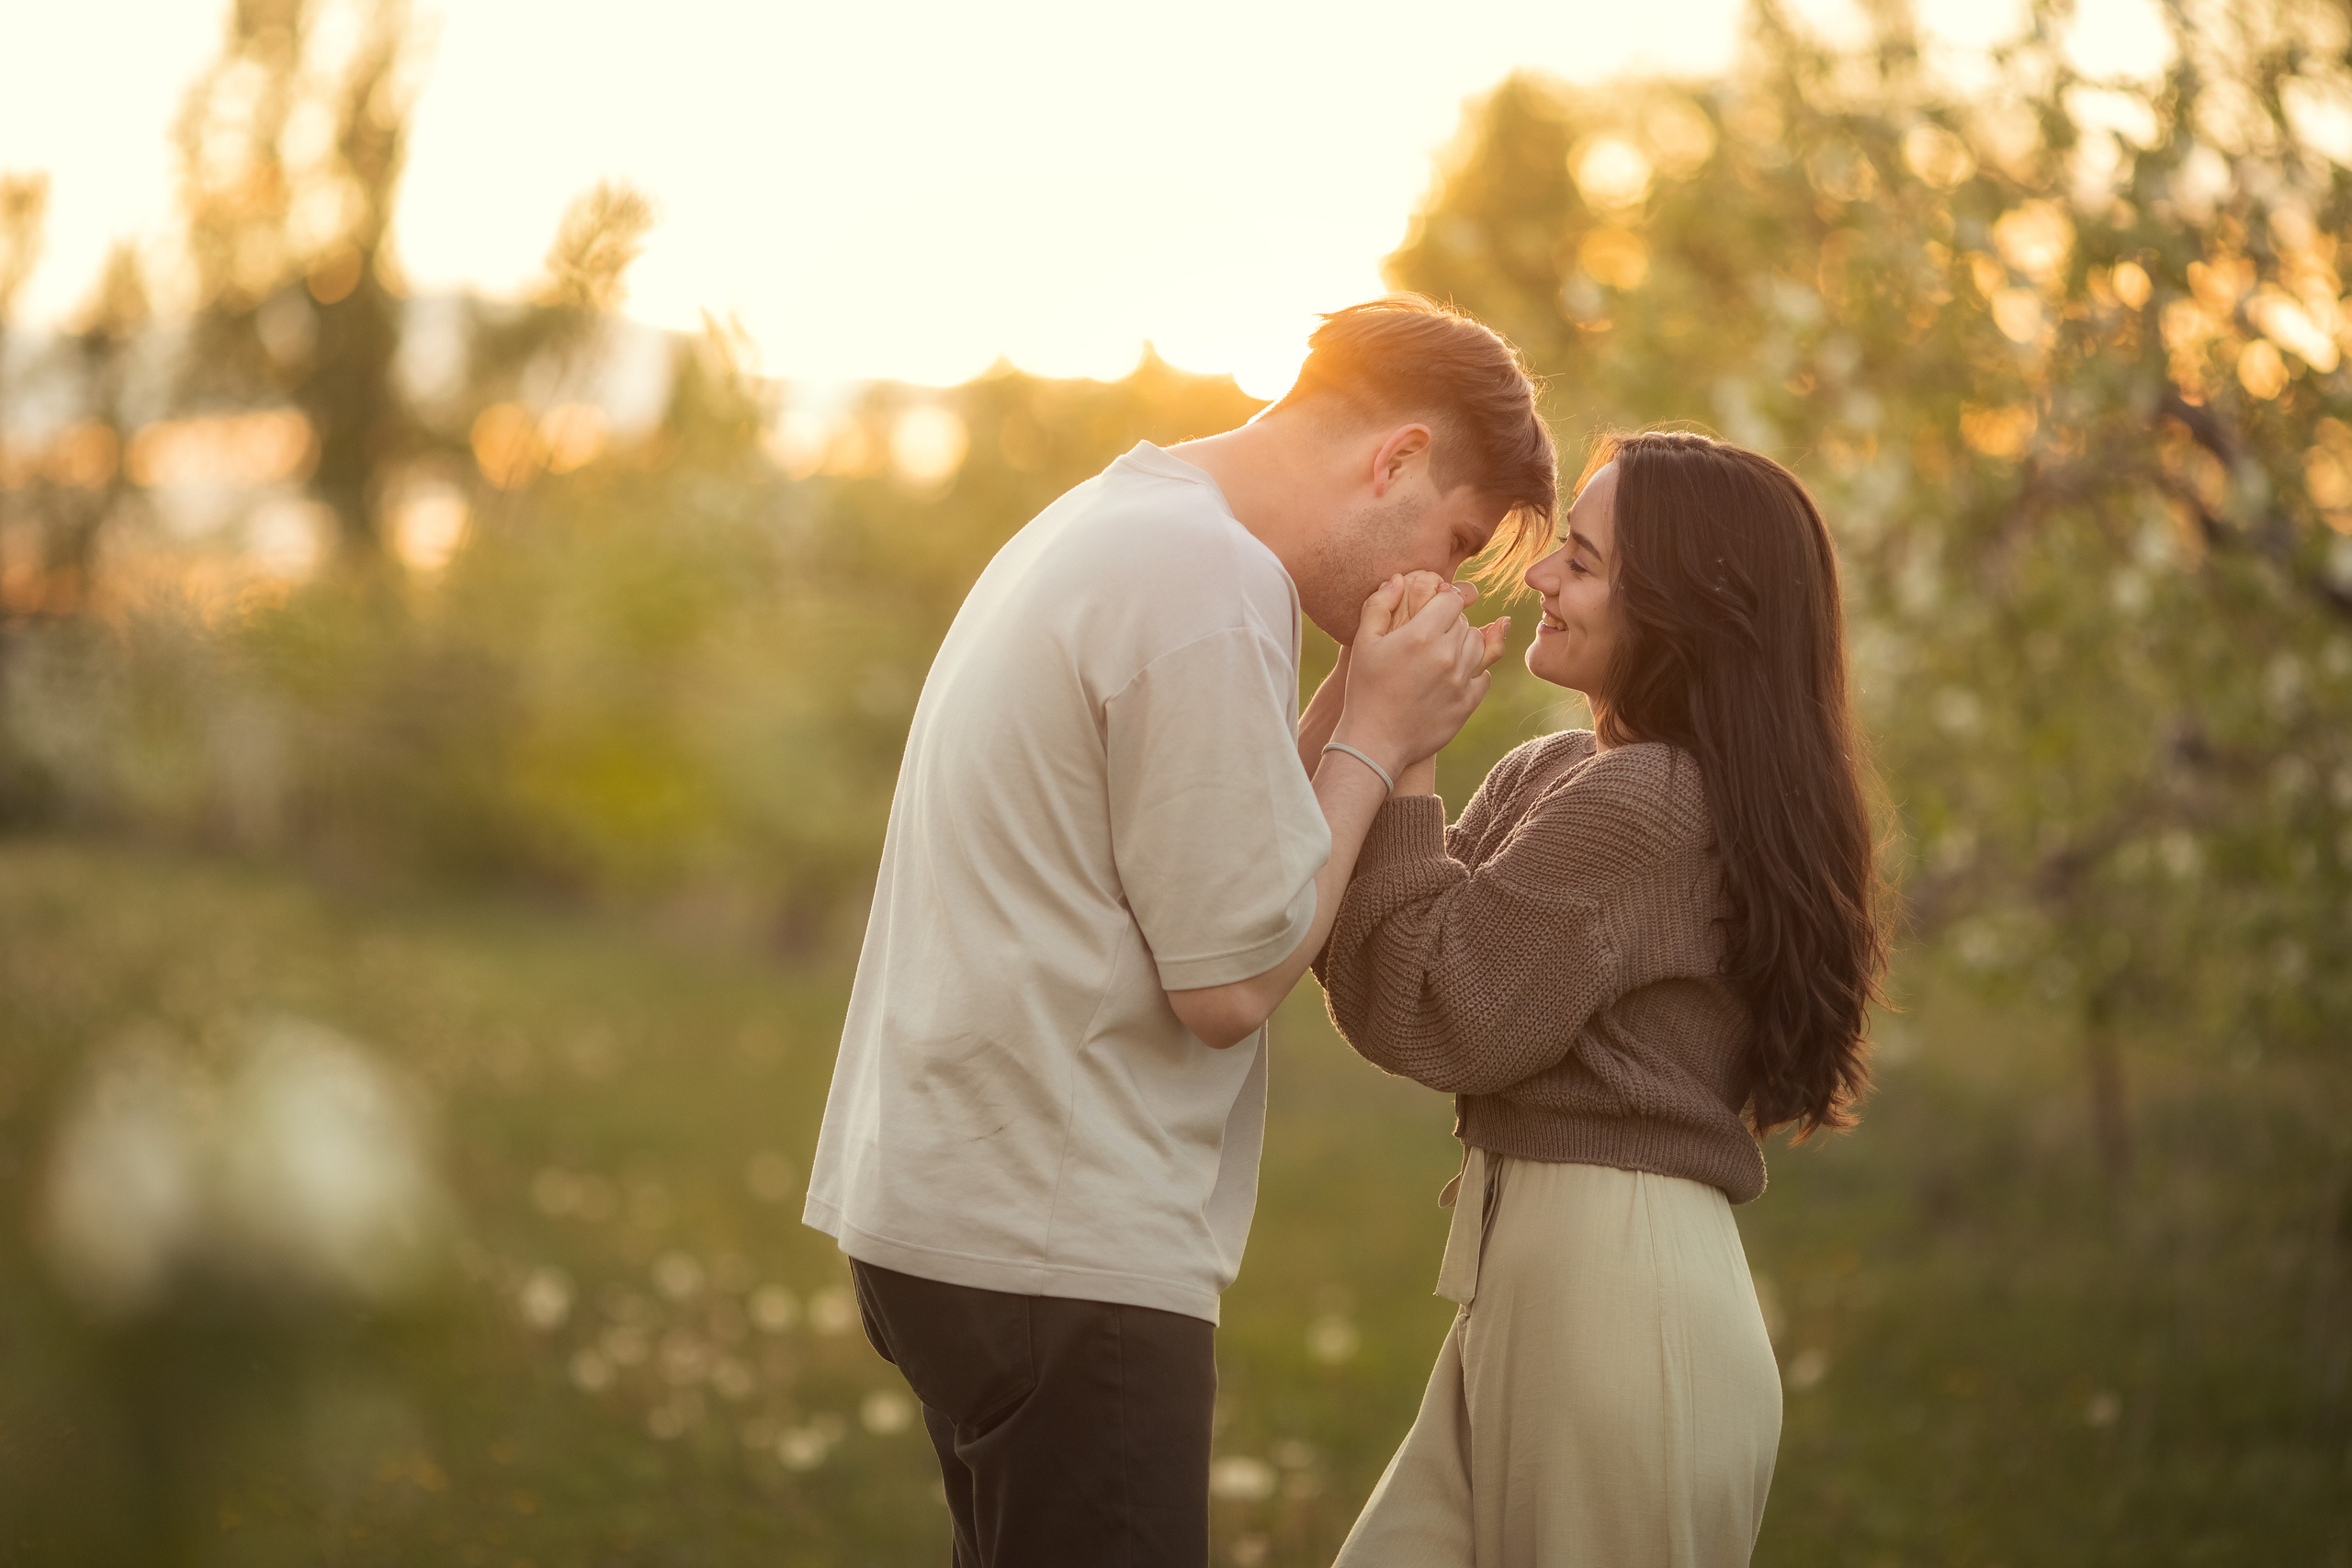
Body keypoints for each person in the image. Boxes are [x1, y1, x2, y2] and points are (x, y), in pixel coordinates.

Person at [803, 296, 1557, 1567]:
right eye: (1456, 538)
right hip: (1062, 1243)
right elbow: (1231, 976)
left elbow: (1215, 845)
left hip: (954, 1212)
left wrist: (1353, 703)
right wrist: (1381, 739)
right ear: (1397, 458)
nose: (1438, 581)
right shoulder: (1212, 580)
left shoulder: (1118, 524)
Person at [1314, 429, 1889, 1567]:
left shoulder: (1652, 803)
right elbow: (1385, 957)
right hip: (1531, 1288)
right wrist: (1382, 732)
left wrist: (1407, 748)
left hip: (1617, 1300)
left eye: (1578, 560)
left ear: (1680, 611)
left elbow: (1439, 1008)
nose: (1535, 575)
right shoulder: (1555, 773)